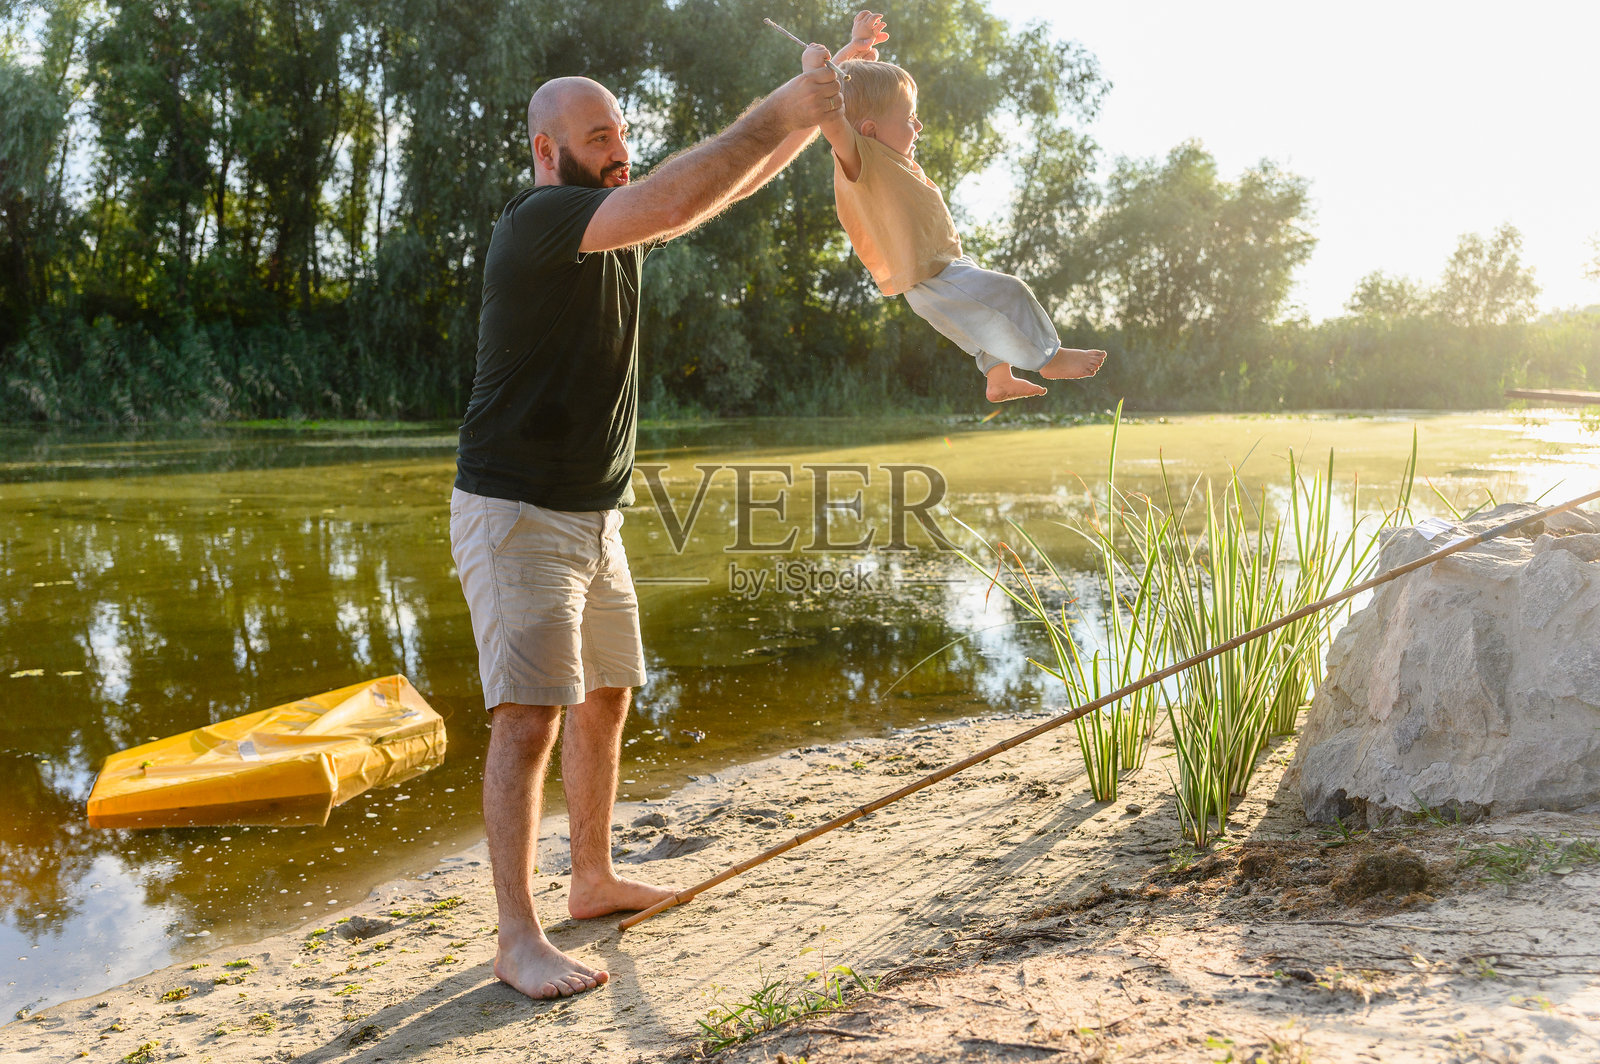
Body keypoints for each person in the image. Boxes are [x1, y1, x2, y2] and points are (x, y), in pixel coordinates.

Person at [448, 59, 843, 1000]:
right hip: (518, 511)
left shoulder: (604, 225)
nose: (622, 152)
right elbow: (674, 199)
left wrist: (808, 116)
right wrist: (784, 107)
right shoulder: (540, 222)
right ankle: (516, 937)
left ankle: (591, 878)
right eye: (600, 139)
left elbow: (711, 189)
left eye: (624, 134)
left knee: (608, 694)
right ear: (549, 152)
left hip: (592, 513)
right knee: (527, 717)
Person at [805, 13, 1107, 403]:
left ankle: (998, 378)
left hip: (945, 266)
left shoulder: (890, 159)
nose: (918, 127)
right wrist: (814, 70)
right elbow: (831, 115)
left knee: (984, 320)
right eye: (909, 119)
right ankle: (1049, 356)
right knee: (1010, 291)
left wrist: (854, 48)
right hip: (930, 274)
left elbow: (848, 86)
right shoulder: (861, 158)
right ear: (870, 130)